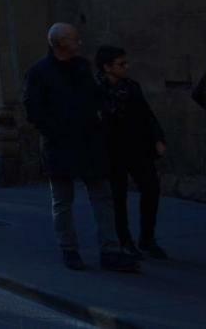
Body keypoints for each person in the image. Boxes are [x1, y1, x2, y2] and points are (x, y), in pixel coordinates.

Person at [24, 23, 138, 272]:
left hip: (89, 142)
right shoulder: (39, 72)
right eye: (75, 39)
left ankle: (110, 250)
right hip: (60, 144)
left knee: (103, 197)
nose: (80, 43)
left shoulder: (82, 67)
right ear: (61, 43)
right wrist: (55, 131)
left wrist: (101, 114)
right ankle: (69, 249)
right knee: (63, 201)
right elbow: (33, 110)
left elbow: (94, 96)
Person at [94, 45, 167, 259]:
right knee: (118, 196)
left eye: (126, 63)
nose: (126, 67)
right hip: (112, 150)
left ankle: (147, 237)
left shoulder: (131, 87)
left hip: (137, 148)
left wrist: (157, 138)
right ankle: (124, 240)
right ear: (107, 67)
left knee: (151, 188)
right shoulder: (96, 90)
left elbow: (147, 114)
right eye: (121, 64)